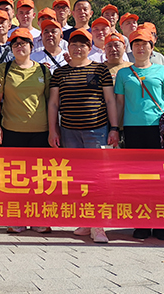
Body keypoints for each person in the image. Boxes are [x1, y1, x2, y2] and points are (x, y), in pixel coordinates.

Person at [115, 28, 164, 241]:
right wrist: (115, 128)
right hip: (132, 130)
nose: (140, 48)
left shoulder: (162, 71)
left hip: (158, 129)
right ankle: (141, 223)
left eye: (144, 44)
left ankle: (161, 224)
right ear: (131, 49)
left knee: (161, 178)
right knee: (137, 178)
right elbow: (120, 104)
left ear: (151, 47)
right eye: (136, 44)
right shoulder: (123, 74)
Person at [48, 29, 119, 243]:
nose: (78, 49)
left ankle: (98, 225)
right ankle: (86, 220)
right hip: (69, 131)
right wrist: (53, 130)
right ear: (68, 48)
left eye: (82, 45)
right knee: (77, 177)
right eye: (74, 45)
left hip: (96, 130)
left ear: (89, 48)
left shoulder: (100, 69)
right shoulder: (59, 73)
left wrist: (114, 128)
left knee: (97, 177)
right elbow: (53, 104)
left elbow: (110, 100)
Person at [0, 28, 51, 234]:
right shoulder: (4, 69)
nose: (20, 47)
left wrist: (53, 130)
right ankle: (16, 217)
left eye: (24, 43)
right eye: (15, 44)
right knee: (15, 178)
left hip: (40, 130)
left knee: (39, 177)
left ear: (31, 46)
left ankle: (38, 218)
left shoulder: (43, 70)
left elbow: (50, 101)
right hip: (11, 129)